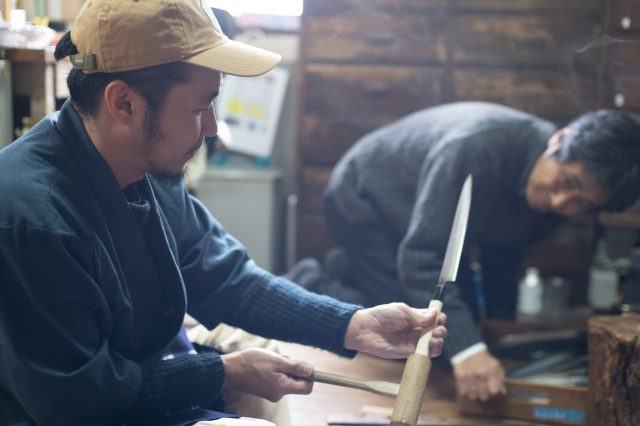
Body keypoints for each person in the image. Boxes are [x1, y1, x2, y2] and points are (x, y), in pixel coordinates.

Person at [0, 1, 447, 425]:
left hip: (135, 370)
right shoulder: (35, 221)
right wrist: (223, 372)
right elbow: (80, 401)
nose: (213, 127)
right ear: (124, 104)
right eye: (199, 107)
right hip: (69, 412)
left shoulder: (141, 166)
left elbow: (228, 278)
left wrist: (351, 325)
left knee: (255, 369)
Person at [315, 101, 640, 402]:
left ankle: (356, 270)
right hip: (365, 198)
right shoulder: (476, 147)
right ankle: (319, 279)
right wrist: (469, 351)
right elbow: (422, 258)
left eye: (582, 203)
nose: (560, 203)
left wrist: (494, 334)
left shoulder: (557, 199)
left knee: (452, 332)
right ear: (559, 140)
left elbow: (504, 252)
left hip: (423, 218)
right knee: (408, 331)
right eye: (568, 182)